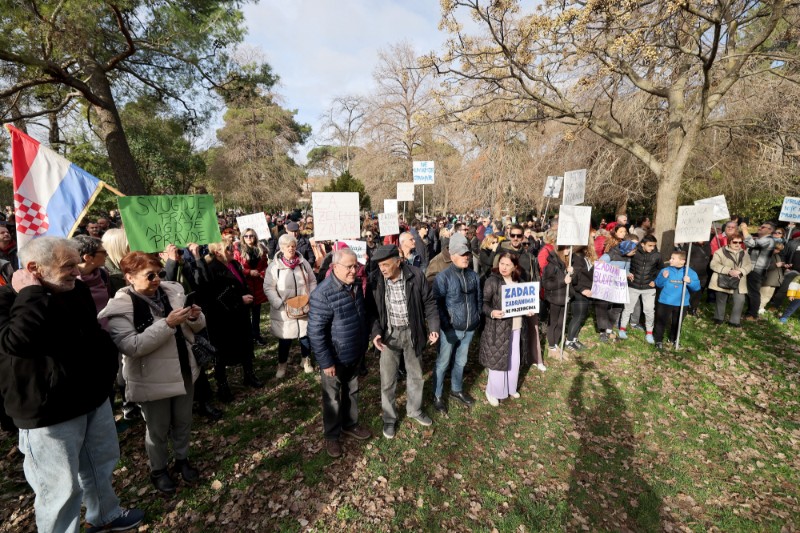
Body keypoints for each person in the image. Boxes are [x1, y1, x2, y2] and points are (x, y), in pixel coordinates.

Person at [0, 237, 143, 532]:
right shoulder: (8, 299)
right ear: (33, 268)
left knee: (100, 465)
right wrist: (30, 293)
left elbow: (89, 331)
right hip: (47, 413)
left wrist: (104, 370)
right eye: (68, 265)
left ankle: (106, 514)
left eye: (77, 262)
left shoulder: (75, 289)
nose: (78, 270)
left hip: (91, 397)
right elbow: (17, 342)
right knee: (59, 487)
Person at [98, 252, 206, 494]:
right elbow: (131, 346)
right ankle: (158, 470)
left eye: (159, 273)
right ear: (129, 278)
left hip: (183, 368)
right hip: (151, 378)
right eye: (150, 275)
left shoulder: (172, 293)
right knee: (157, 429)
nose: (157, 279)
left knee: (183, 421)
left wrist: (196, 317)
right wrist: (167, 325)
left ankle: (182, 460)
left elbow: (197, 327)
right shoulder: (121, 307)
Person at [367, 245, 439, 438]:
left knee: (415, 375)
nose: (382, 268)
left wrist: (433, 327)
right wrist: (375, 333)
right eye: (379, 265)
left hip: (412, 333)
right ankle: (389, 419)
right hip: (388, 336)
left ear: (398, 261)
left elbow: (429, 303)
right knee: (388, 380)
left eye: (385, 264)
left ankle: (414, 410)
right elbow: (372, 311)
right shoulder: (375, 280)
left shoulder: (415, 276)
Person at [308, 248, 372, 458]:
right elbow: (316, 333)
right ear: (335, 267)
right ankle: (332, 436)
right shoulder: (322, 294)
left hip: (354, 351)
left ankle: (350, 424)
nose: (354, 270)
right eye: (349, 267)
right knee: (332, 397)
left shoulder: (354, 285)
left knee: (352, 391)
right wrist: (326, 362)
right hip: (334, 357)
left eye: (356, 266)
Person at [193, 241, 263, 402]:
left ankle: (249, 375)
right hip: (222, 319)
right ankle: (223, 385)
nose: (233, 250)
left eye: (233, 247)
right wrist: (239, 299)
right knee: (222, 352)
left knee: (246, 344)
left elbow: (242, 284)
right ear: (218, 252)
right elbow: (211, 296)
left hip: (240, 314)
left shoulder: (235, 265)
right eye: (229, 248)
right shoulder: (211, 270)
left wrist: (248, 296)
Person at [432, 233, 482, 414]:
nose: (466, 257)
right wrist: (447, 328)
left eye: (467, 253)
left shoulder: (474, 276)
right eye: (462, 254)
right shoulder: (442, 278)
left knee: (461, 361)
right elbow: (438, 306)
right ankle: (437, 395)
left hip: (469, 328)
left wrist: (476, 320)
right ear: (452, 255)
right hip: (450, 330)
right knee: (443, 363)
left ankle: (456, 389)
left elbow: (479, 299)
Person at [480, 253, 535, 406]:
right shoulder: (492, 281)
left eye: (507, 264)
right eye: (502, 263)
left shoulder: (519, 282)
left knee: (514, 360)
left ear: (514, 267)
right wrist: (491, 312)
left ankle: (510, 387)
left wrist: (528, 310)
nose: (503, 267)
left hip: (516, 327)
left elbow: (523, 304)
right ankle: (492, 391)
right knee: (497, 360)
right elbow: (483, 303)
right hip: (498, 328)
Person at [264, 233, 317, 377]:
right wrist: (278, 302)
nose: (291, 249)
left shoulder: (303, 262)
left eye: (293, 246)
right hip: (284, 309)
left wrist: (310, 297)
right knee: (285, 338)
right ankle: (282, 365)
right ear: (281, 248)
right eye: (288, 246)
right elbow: (269, 287)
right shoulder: (274, 267)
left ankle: (306, 360)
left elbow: (312, 280)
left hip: (303, 305)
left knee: (305, 336)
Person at [653, 251, 701, 350]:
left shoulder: (690, 272)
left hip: (681, 302)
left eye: (673, 258)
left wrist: (689, 282)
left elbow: (697, 287)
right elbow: (658, 284)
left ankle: (674, 339)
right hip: (665, 301)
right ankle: (658, 340)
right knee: (661, 322)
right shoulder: (665, 270)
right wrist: (663, 277)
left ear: (682, 261)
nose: (670, 260)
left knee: (677, 322)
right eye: (671, 258)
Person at [618, 235, 661, 343]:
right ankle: (622, 329)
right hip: (633, 286)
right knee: (628, 308)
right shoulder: (634, 252)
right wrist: (627, 274)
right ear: (642, 244)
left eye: (654, 246)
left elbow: (660, 270)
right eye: (650, 245)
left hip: (649, 288)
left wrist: (655, 280)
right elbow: (625, 264)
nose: (652, 248)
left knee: (649, 311)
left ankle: (649, 333)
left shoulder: (657, 255)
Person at [234, 228, 270, 346]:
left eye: (251, 236)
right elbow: (236, 268)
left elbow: (265, 266)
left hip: (258, 284)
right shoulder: (238, 251)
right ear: (243, 237)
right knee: (245, 313)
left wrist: (262, 273)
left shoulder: (261, 250)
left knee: (256, 313)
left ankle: (256, 334)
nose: (249, 238)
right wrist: (249, 272)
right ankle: (247, 336)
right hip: (245, 285)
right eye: (246, 236)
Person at [709, 233, 752, 327]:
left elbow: (749, 265)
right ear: (729, 242)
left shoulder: (744, 253)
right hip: (723, 279)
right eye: (735, 242)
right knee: (721, 300)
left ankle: (734, 321)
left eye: (740, 242)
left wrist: (740, 271)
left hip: (739, 280)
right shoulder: (720, 251)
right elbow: (713, 265)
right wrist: (729, 271)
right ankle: (718, 319)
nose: (738, 244)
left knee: (740, 300)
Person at [542, 245, 573, 356]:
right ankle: (551, 346)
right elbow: (546, 284)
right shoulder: (551, 266)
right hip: (555, 298)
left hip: (565, 297)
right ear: (559, 250)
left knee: (561, 323)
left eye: (569, 248)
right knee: (554, 322)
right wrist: (563, 281)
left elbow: (569, 281)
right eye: (566, 248)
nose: (568, 251)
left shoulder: (565, 263)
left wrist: (570, 272)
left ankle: (555, 344)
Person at [742, 221, 776, 320]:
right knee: (750, 292)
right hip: (753, 269)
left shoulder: (769, 240)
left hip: (757, 270)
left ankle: (753, 315)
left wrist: (744, 229)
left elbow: (751, 243)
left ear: (770, 230)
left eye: (763, 227)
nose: (760, 228)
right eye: (760, 226)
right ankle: (749, 313)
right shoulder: (762, 239)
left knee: (753, 293)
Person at [564, 245, 595, 352]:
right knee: (577, 316)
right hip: (579, 292)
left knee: (582, 316)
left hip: (588, 290)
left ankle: (574, 339)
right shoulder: (576, 257)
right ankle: (569, 341)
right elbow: (574, 277)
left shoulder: (586, 256)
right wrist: (581, 289)